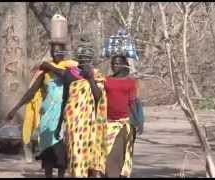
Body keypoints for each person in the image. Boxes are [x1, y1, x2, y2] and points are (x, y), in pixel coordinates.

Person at [7, 41, 77, 178]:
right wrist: (15, 108)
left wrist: (51, 66)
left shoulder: (70, 69)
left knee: (62, 157)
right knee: (48, 158)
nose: (55, 54)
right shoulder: (44, 73)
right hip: (47, 120)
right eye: (53, 51)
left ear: (63, 52)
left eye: (58, 51)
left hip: (63, 118)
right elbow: (31, 92)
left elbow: (69, 78)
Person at [52, 38, 107, 177]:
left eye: (88, 56)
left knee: (91, 159)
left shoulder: (97, 75)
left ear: (91, 57)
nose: (85, 59)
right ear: (77, 57)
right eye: (82, 56)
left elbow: (98, 97)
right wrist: (59, 125)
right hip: (73, 124)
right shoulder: (70, 74)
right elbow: (65, 99)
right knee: (76, 156)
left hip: (91, 125)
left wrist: (90, 79)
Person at [104, 55, 142, 177]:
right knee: (108, 153)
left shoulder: (130, 83)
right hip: (108, 123)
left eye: (118, 63)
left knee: (121, 155)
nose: (115, 66)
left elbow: (132, 102)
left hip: (124, 123)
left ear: (124, 65)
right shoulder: (106, 81)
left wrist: (138, 121)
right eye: (113, 64)